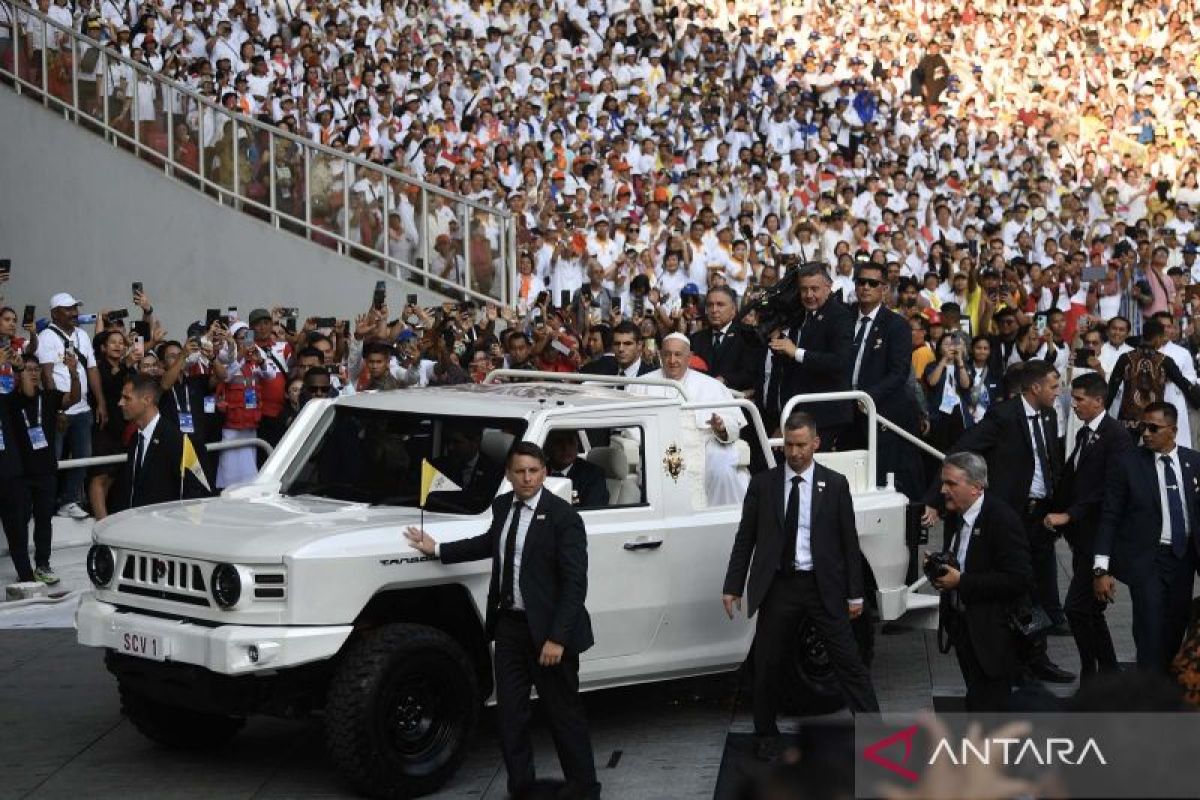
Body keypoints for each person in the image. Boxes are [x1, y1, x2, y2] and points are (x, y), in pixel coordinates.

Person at [403, 442, 600, 800]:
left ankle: (585, 789)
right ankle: (521, 789)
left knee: (563, 716)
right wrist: (439, 549)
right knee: (510, 717)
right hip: (509, 627)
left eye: (534, 471)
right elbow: (489, 543)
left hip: (549, 632)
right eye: (520, 471)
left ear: (544, 472)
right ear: (508, 475)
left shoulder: (563, 517)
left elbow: (575, 584)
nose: (527, 478)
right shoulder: (502, 507)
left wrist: (557, 638)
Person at [722, 411, 879, 760]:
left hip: (823, 586)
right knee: (767, 662)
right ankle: (765, 732)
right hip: (780, 586)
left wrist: (856, 594)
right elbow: (745, 538)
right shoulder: (763, 485)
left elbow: (848, 544)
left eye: (801, 446)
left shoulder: (835, 485)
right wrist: (733, 585)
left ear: (816, 444)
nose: (794, 453)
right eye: (789, 446)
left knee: (848, 661)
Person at [924, 359, 1074, 683]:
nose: (1057, 391)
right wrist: (937, 501)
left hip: (1041, 516)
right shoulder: (1003, 416)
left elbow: (1049, 461)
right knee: (1017, 587)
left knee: (1041, 587)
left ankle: (1038, 656)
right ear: (1034, 388)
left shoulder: (1048, 415)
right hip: (1012, 516)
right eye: (1052, 385)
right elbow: (961, 452)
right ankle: (1021, 657)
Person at [1094, 403, 1200, 672]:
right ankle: (1149, 691)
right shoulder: (1128, 463)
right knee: (1149, 625)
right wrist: (1101, 568)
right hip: (1147, 559)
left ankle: (1166, 683)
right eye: (1143, 427)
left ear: (1173, 430)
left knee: (1176, 624)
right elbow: (1110, 516)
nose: (1146, 433)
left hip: (1184, 559)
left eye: (1154, 428)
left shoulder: (1194, 462)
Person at [1044, 373, 1133, 687]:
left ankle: (1092, 671)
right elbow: (1074, 479)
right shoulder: (1085, 434)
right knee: (1091, 611)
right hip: (1082, 539)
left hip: (1100, 538)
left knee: (1077, 608)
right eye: (1074, 398)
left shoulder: (1116, 436)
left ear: (1099, 400)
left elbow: (1109, 491)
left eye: (1080, 399)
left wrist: (1069, 515)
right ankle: (1106, 671)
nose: (1075, 404)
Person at [930, 452, 1033, 711]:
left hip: (994, 637)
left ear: (976, 487)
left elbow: (1019, 579)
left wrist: (961, 582)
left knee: (988, 709)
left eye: (951, 484)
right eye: (943, 483)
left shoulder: (1001, 519)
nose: (943, 490)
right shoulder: (955, 516)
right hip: (966, 632)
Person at [627, 332, 747, 506]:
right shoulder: (641, 384)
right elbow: (631, 430)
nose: (672, 360)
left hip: (704, 448)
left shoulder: (711, 386)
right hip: (659, 448)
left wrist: (721, 427)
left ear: (689, 357)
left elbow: (734, 425)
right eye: (667, 354)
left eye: (678, 355)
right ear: (660, 355)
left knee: (724, 469)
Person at [844, 261, 921, 492]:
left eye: (873, 283)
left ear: (884, 288)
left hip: (881, 412)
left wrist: (866, 397)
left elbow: (899, 372)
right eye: (861, 282)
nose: (866, 287)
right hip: (846, 411)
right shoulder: (844, 317)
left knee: (880, 479)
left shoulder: (896, 325)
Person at [762, 263, 853, 446]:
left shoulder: (840, 316)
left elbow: (840, 361)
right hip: (798, 413)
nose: (809, 295)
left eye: (814, 289)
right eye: (804, 290)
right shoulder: (799, 317)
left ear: (828, 287)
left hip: (828, 416)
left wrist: (797, 352)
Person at [9, 350, 79, 584]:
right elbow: (27, 391)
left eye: (36, 369)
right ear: (18, 374)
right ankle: (24, 570)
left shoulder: (48, 397)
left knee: (43, 522)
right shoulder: (11, 401)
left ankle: (43, 564)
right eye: (28, 369)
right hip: (20, 475)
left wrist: (73, 373)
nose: (34, 374)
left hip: (46, 471)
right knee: (19, 524)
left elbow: (74, 399)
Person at [36, 292, 106, 520]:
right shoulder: (46, 337)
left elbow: (92, 369)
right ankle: (45, 503)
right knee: (53, 459)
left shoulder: (82, 336)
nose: (74, 312)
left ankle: (68, 501)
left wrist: (101, 401)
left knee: (83, 456)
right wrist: (56, 409)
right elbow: (46, 376)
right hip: (61, 410)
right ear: (55, 313)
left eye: (75, 308)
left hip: (83, 408)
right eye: (68, 309)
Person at [117, 372, 212, 509]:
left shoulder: (179, 441)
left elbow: (197, 494)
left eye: (127, 398)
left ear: (147, 399)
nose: (120, 403)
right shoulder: (135, 440)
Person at [689, 286, 760, 393]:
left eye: (720, 305)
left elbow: (751, 372)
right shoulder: (696, 339)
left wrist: (725, 379)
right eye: (710, 305)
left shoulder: (748, 336)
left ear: (733, 309)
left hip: (734, 402)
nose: (714, 310)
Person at [543, 428, 609, 508]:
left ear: (577, 445)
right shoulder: (539, 470)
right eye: (559, 442)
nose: (566, 448)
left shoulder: (592, 475)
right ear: (548, 446)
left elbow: (592, 510)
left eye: (571, 442)